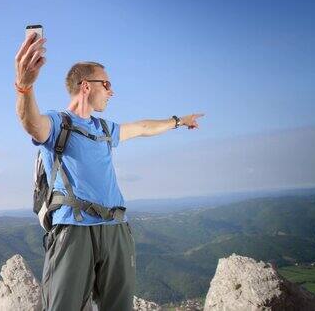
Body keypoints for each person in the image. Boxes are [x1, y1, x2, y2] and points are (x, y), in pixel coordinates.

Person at [14, 33, 204, 311]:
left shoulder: (104, 129)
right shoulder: (58, 124)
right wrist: (24, 87)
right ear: (86, 86)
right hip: (74, 230)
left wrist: (177, 121)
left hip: (116, 228)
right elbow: (31, 124)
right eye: (107, 84)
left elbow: (142, 128)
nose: (111, 91)